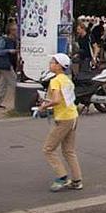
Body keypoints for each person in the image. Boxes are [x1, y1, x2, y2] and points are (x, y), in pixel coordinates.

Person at [37, 53, 83, 192]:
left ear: (59, 66)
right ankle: (77, 180)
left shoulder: (55, 80)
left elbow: (56, 100)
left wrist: (43, 106)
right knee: (69, 151)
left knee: (48, 149)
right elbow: (65, 99)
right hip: (73, 116)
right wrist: (48, 102)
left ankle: (62, 177)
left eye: (52, 62)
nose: (50, 64)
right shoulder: (67, 79)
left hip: (63, 119)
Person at [0, 23, 20, 109]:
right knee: (15, 83)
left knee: (3, 84)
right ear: (10, 31)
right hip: (5, 64)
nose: (16, 31)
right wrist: (9, 51)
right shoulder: (4, 39)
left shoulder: (14, 40)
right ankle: (20, 104)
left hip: (9, 63)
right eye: (14, 30)